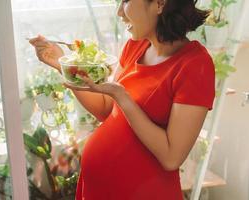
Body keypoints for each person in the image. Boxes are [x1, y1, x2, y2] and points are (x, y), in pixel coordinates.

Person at [29, 0, 215, 199]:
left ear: (160, 3)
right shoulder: (136, 46)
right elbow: (105, 110)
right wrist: (62, 64)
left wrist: (122, 96)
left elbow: (171, 157)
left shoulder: (195, 65)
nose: (119, 12)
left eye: (126, 1)